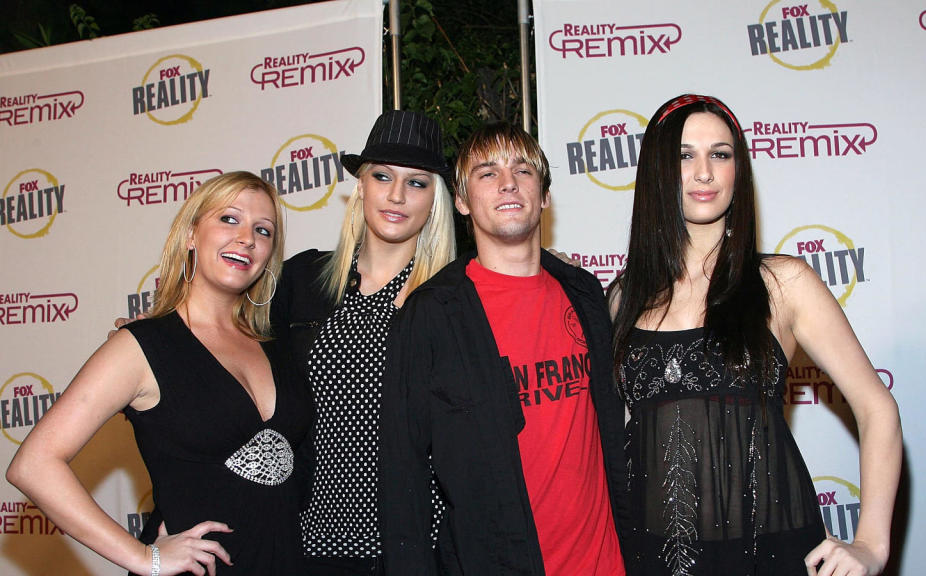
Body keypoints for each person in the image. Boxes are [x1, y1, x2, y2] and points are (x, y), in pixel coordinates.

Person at [608, 94, 902, 576]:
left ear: (737, 171)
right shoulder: (622, 298)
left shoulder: (783, 283)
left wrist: (871, 543)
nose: (704, 172)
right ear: (657, 172)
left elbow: (877, 409)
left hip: (775, 554)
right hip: (650, 557)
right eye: (685, 155)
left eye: (720, 154)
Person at [7, 171, 311, 575]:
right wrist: (142, 556)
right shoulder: (141, 345)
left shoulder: (277, 345)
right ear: (190, 235)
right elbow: (33, 465)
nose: (247, 238)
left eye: (263, 230)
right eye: (229, 219)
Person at [379, 122, 630, 575]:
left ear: (545, 195)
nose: (508, 182)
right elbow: (402, 476)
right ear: (460, 201)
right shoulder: (432, 315)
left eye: (523, 170)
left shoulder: (584, 293)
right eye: (487, 172)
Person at [272, 109, 457, 575]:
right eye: (382, 176)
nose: (396, 195)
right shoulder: (303, 279)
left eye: (417, 182)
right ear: (361, 185)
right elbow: (233, 354)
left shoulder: (457, 296)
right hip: (313, 541)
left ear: (437, 199)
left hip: (420, 546)